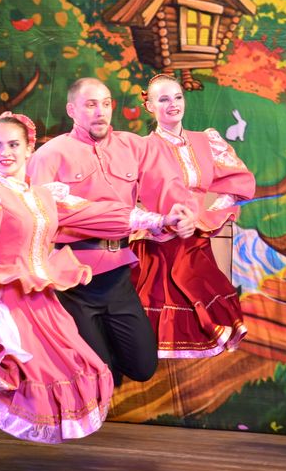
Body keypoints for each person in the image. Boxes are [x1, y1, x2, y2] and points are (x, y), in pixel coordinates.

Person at [0, 113, 180, 442]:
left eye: (13, 145)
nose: (5, 152)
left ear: (28, 149)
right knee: (28, 371)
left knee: (79, 367)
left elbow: (95, 212)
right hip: (7, 300)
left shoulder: (44, 196)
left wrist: (156, 220)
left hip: (42, 296)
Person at [27, 77, 196, 386]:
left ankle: (98, 357)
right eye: (91, 105)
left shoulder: (133, 146)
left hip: (118, 276)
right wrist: (138, 219)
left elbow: (166, 183)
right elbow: (53, 212)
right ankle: (90, 365)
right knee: (101, 376)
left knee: (143, 368)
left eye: (106, 104)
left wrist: (181, 213)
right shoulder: (49, 155)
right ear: (72, 110)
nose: (100, 112)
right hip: (74, 281)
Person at [133, 73, 256, 358]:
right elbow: (128, 197)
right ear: (149, 106)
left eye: (177, 97)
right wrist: (159, 221)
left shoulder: (206, 141)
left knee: (201, 297)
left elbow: (238, 183)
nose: (173, 104)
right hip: (158, 239)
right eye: (163, 99)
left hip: (196, 236)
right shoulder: (141, 148)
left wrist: (204, 217)